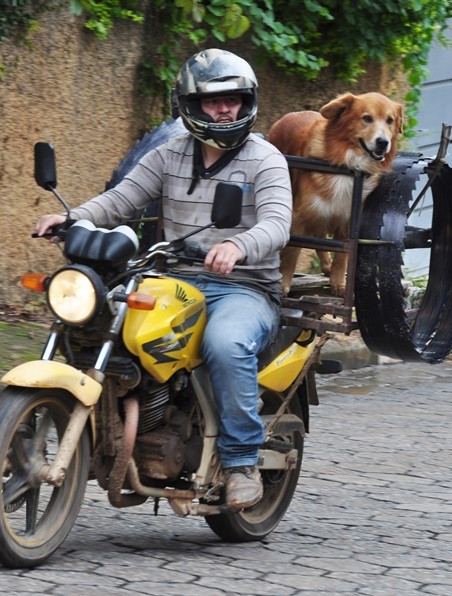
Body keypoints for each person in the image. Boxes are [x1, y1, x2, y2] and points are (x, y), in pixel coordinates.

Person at [35, 49, 293, 510]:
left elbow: (277, 224)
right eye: (213, 102)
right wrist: (71, 217)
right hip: (171, 279)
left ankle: (241, 461)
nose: (225, 110)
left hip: (244, 287)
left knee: (225, 343)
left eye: (233, 99)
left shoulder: (264, 159)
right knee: (94, 321)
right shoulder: (170, 154)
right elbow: (121, 199)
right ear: (190, 106)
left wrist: (237, 246)